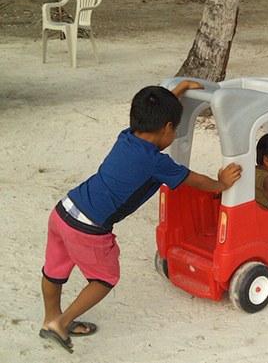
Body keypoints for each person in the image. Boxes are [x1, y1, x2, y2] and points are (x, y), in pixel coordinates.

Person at [39, 81, 242, 354]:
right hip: (88, 228)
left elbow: (154, 111)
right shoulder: (156, 162)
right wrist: (221, 184)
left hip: (64, 210)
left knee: (54, 269)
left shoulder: (127, 136)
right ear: (168, 128)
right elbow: (197, 182)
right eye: (175, 128)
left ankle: (50, 318)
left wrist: (178, 90)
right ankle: (61, 323)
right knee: (105, 279)